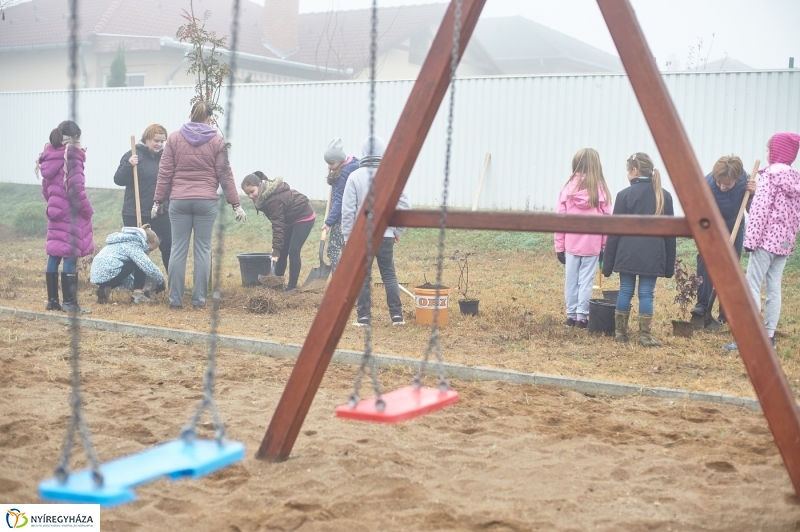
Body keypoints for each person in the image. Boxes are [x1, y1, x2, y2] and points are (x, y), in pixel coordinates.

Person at [153, 102, 246, 309]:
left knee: (177, 249)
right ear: (209, 119)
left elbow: (165, 172)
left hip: (179, 201)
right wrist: (235, 204)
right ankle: (199, 300)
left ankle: (175, 300)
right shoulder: (217, 140)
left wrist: (157, 200)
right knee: (203, 249)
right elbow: (225, 175)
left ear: (190, 115)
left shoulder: (175, 138)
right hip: (206, 201)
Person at [724, 132, 800, 351]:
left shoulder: (768, 177)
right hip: (784, 243)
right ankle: (769, 336)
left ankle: (749, 336)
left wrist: (751, 240)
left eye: (768, 150)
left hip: (765, 240)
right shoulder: (795, 179)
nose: (767, 154)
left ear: (775, 151)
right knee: (774, 287)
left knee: (752, 285)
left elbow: (759, 211)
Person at [602, 152, 676, 347]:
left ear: (635, 170)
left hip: (627, 253)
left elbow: (614, 232)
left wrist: (607, 265)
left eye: (627, 170)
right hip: (653, 254)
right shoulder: (665, 196)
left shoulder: (623, 195)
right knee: (646, 294)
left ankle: (620, 333)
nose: (627, 174)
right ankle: (645, 336)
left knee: (625, 291)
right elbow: (671, 235)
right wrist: (669, 267)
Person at [341, 134, 411, 326]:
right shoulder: (392, 176)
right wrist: (397, 230)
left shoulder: (354, 177)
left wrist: (348, 236)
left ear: (363, 153)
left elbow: (347, 210)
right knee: (389, 273)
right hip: (386, 234)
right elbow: (404, 205)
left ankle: (363, 318)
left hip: (361, 237)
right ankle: (397, 317)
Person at [36, 120, 94, 314]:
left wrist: (55, 202)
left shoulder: (48, 157)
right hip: (71, 213)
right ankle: (70, 303)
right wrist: (87, 210)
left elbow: (46, 190)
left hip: (55, 211)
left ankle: (52, 301)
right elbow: (77, 190)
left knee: (54, 253)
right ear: (76, 137)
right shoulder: (72, 157)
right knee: (70, 253)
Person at [690, 155, 756, 326]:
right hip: (711, 228)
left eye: (727, 184)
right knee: (705, 263)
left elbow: (753, 210)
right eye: (719, 182)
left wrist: (754, 195)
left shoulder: (746, 182)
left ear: (737, 178)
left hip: (734, 227)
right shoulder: (707, 183)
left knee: (730, 270)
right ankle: (702, 306)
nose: (722, 186)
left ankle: (725, 313)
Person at [554, 148, 612, 328]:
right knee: (586, 282)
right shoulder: (601, 191)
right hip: (592, 246)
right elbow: (607, 223)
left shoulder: (567, 190)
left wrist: (559, 247)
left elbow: (559, 221)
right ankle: (582, 317)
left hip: (571, 244)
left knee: (571, 281)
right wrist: (604, 246)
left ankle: (570, 316)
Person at [241, 172, 316, 291]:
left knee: (293, 250)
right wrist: (278, 249)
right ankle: (276, 284)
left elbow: (277, 224)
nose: (250, 196)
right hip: (288, 219)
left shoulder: (273, 199)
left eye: (252, 191)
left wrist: (275, 250)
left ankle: (291, 287)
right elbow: (278, 222)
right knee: (281, 250)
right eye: (247, 194)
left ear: (260, 185)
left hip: (303, 216)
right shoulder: (263, 196)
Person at [114, 124, 172, 271]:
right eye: (156, 141)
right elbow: (118, 180)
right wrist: (129, 165)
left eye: (162, 141)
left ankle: (175, 283)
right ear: (147, 139)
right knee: (137, 250)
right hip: (135, 211)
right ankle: (137, 285)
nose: (159, 144)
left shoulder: (165, 158)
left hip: (160, 212)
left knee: (168, 247)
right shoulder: (133, 155)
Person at [90, 225, 166, 304]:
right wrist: (161, 282)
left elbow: (123, 275)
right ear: (146, 241)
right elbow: (148, 266)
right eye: (150, 249)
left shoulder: (123, 240)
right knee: (141, 262)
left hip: (97, 275)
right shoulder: (134, 244)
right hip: (109, 273)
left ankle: (103, 289)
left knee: (135, 262)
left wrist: (137, 288)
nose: (148, 252)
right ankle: (138, 297)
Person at [322, 138, 360, 272]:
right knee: (348, 252)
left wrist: (329, 222)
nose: (329, 166)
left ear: (340, 160)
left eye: (331, 163)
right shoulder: (355, 166)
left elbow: (338, 202)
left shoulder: (342, 174)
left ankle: (339, 284)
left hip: (341, 220)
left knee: (333, 251)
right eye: (327, 163)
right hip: (355, 218)